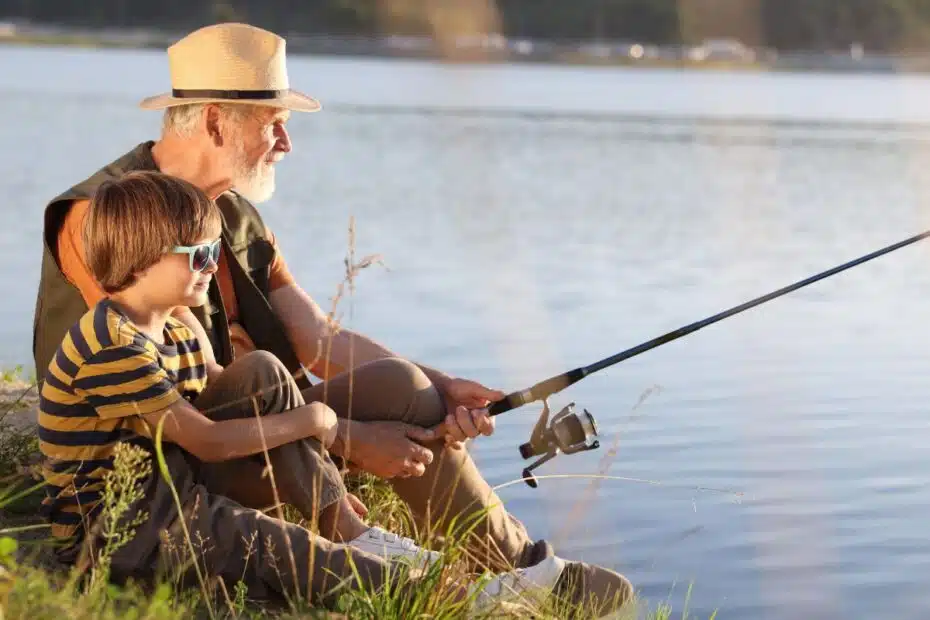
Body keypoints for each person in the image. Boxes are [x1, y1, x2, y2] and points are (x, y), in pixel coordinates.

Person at [31, 21, 632, 613]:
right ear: (215, 119)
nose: (287, 144)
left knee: (405, 385)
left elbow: (317, 338)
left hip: (249, 425)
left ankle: (521, 570)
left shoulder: (232, 218)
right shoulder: (104, 216)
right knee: (299, 393)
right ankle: (414, 566)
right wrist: (349, 438)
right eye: (275, 123)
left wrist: (444, 389)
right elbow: (176, 396)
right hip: (162, 460)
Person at [37, 170, 574, 611]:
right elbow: (205, 440)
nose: (210, 266)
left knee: (265, 370)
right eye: (196, 256)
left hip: (175, 482)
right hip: (121, 523)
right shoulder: (112, 346)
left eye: (213, 253)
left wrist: (334, 441)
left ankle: (353, 528)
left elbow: (239, 391)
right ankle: (459, 598)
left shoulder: (176, 324)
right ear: (138, 258)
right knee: (292, 551)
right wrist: (326, 426)